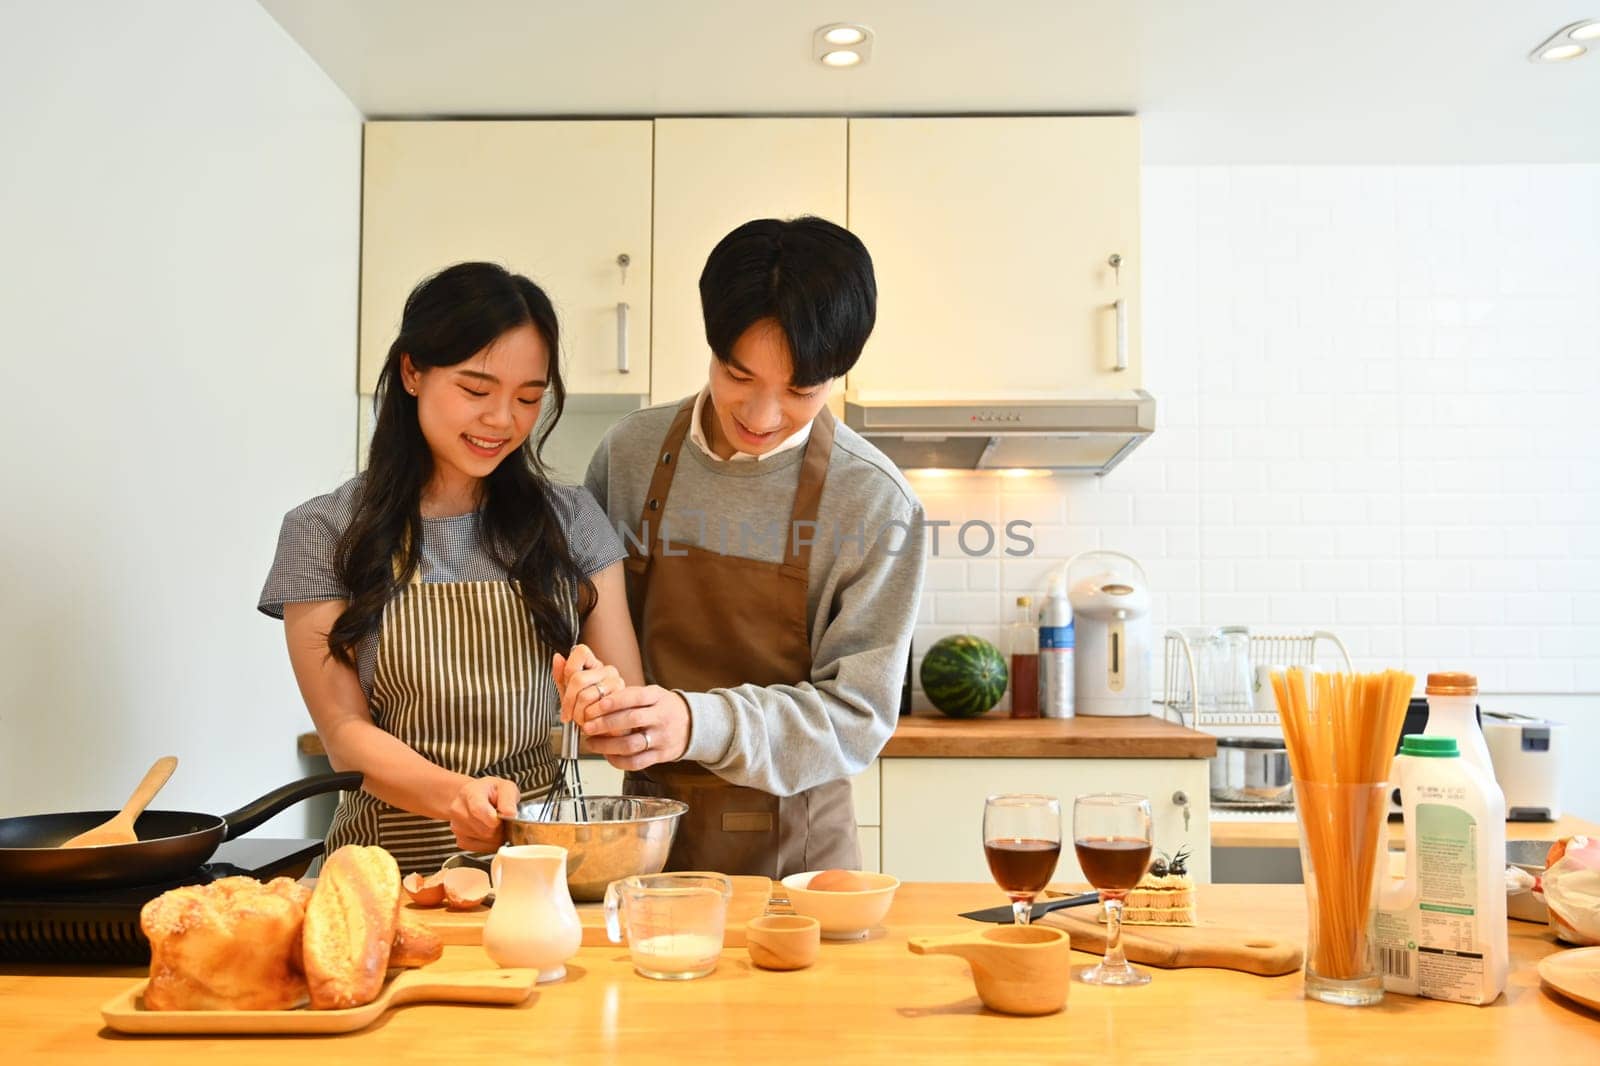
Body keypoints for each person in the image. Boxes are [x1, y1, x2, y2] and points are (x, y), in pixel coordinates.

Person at [558, 216, 927, 878]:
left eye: (800, 390)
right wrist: (591, 691)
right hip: (644, 845)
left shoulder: (873, 499)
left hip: (800, 863)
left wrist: (695, 722)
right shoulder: (630, 454)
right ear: (711, 345)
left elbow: (857, 715)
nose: (761, 416)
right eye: (738, 374)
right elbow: (586, 620)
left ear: (839, 377)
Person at [258, 262, 640, 873]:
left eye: (528, 398)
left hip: (542, 870)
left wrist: (603, 704)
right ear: (412, 371)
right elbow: (343, 734)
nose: (502, 421)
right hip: (384, 875)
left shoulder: (573, 521)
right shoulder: (323, 532)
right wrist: (457, 796)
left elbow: (621, 730)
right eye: (476, 390)